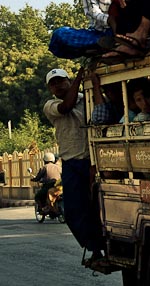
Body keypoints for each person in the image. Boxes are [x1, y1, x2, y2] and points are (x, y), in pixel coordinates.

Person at [42, 68, 106, 264]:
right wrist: (80, 75)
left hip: (92, 161)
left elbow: (101, 110)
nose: (58, 85)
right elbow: (66, 107)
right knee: (72, 212)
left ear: (68, 81)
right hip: (71, 163)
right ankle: (93, 245)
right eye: (53, 83)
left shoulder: (84, 97)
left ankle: (101, 247)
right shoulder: (51, 105)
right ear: (50, 89)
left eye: (61, 81)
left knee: (96, 208)